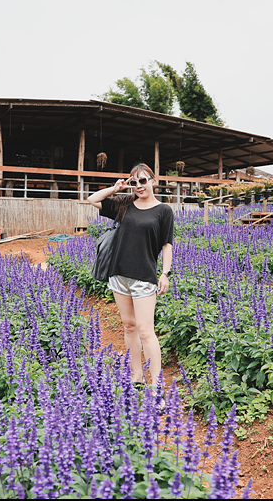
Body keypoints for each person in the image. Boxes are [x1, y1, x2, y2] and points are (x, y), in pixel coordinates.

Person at [87, 163, 174, 389]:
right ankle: (136, 376)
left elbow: (167, 245)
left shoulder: (163, 211)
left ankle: (156, 386)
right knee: (129, 326)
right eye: (134, 182)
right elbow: (92, 199)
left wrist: (165, 273)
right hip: (119, 275)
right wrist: (115, 189)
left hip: (144, 277)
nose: (139, 186)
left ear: (153, 181)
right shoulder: (124, 204)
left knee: (146, 331)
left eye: (143, 181)